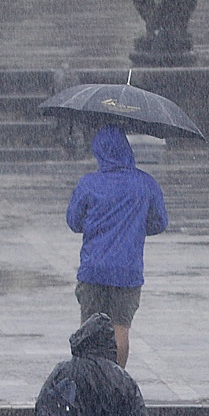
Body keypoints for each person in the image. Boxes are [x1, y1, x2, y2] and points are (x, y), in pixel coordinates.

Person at [66, 124, 168, 369]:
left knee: (89, 327)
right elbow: (159, 222)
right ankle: (116, 378)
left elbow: (73, 222)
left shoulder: (88, 184)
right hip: (127, 271)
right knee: (121, 328)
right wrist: (134, 227)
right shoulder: (145, 183)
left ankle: (88, 376)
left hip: (94, 269)